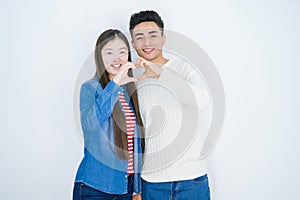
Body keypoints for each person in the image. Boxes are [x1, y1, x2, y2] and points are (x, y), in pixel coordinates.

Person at [129, 10, 212, 199]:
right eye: (139, 37)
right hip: (152, 183)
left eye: (153, 35)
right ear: (133, 44)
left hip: (191, 180)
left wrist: (161, 74)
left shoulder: (183, 68)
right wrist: (137, 188)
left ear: (163, 39)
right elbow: (136, 136)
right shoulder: (135, 80)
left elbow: (202, 100)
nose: (147, 43)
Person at [72, 29, 144, 200]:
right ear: (99, 57)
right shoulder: (90, 88)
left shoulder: (128, 91)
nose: (116, 58)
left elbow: (136, 143)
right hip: (95, 188)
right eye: (109, 52)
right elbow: (90, 124)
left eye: (122, 52)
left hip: (125, 189)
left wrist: (137, 189)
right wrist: (115, 83)